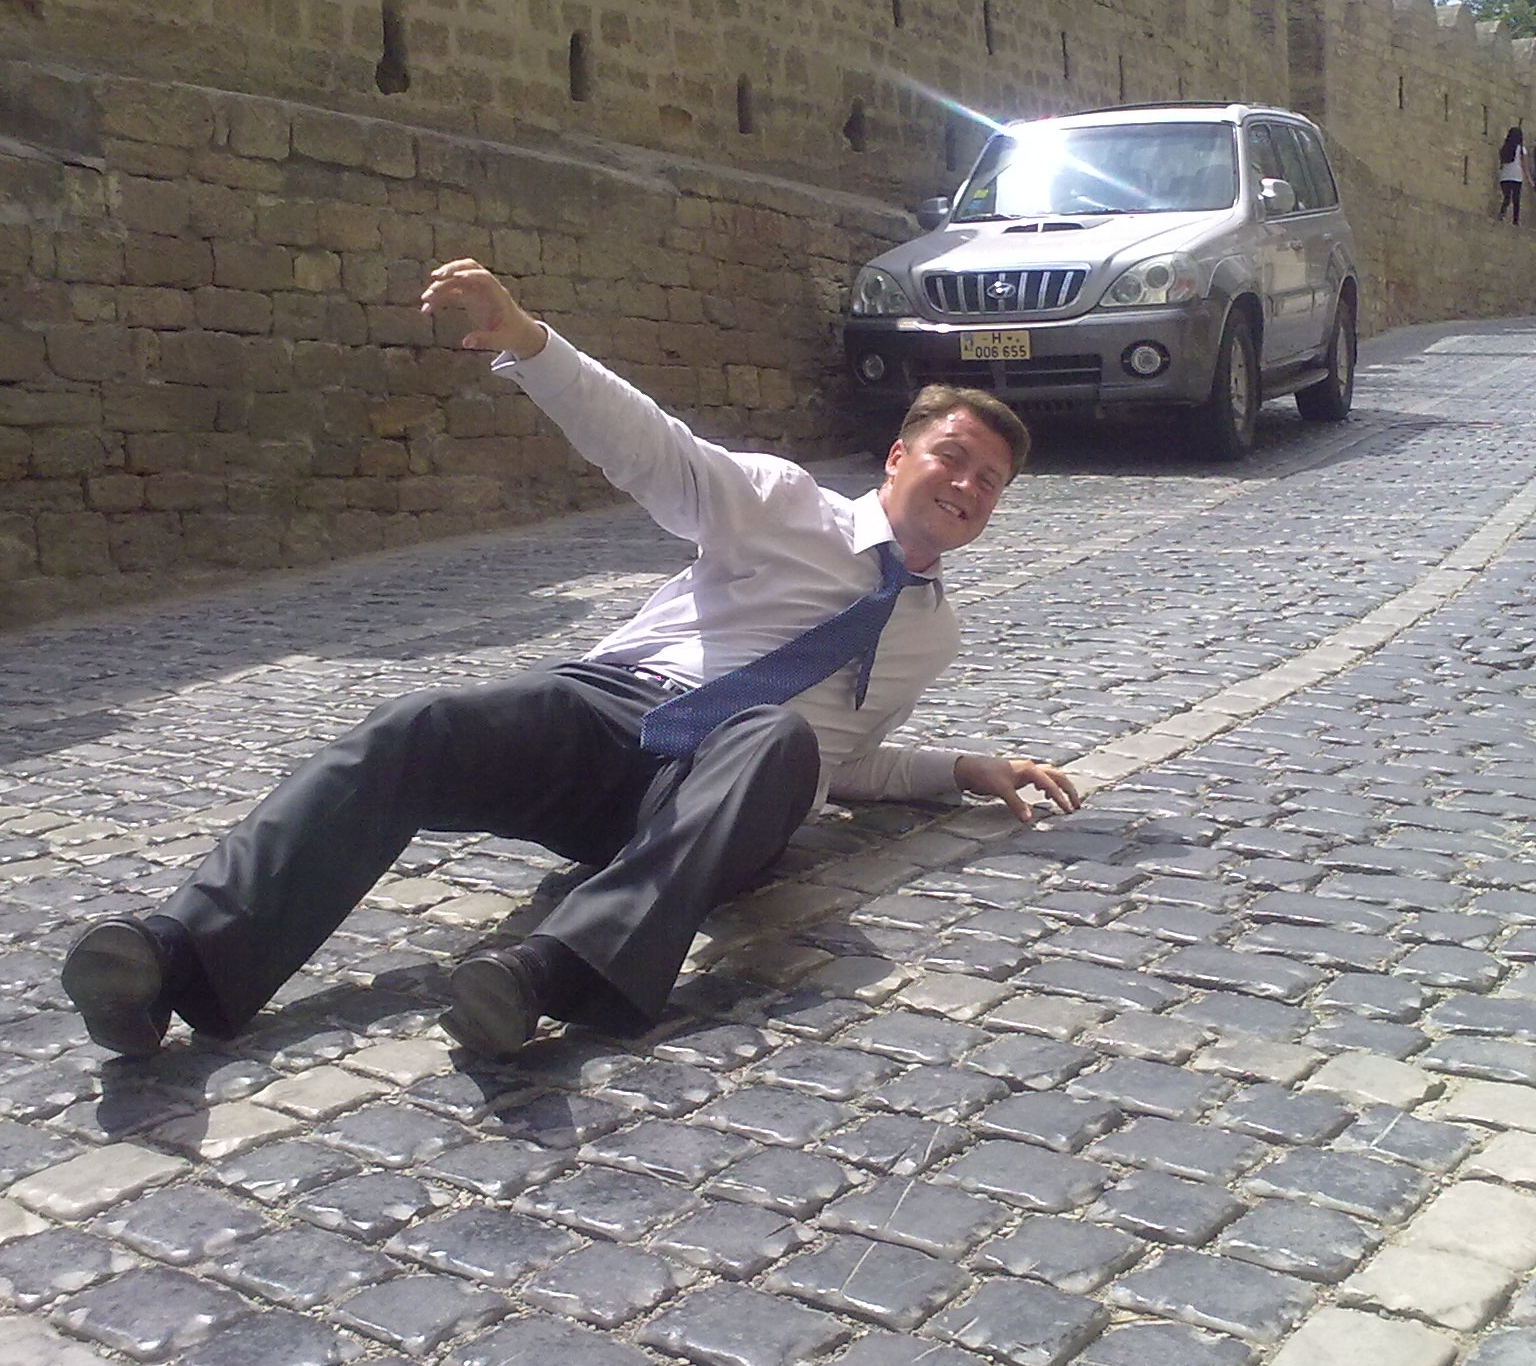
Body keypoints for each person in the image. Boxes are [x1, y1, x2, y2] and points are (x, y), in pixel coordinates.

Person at [61, 259, 1081, 1060]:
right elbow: (654, 450)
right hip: (607, 716)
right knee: (418, 725)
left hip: (716, 789)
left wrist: (957, 768)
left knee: (775, 737)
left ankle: (546, 974)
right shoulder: (779, 502)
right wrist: (531, 343)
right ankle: (178, 955)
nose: (966, 486)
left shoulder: (930, 633)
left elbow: (837, 760)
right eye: (951, 458)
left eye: (989, 482)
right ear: (899, 457)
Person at [1496, 126, 1527, 224]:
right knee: (1516, 200)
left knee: (1507, 197)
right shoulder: (1522, 149)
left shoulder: (1504, 149)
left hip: (1504, 176)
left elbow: (1501, 164)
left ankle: (1502, 214)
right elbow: (1524, 165)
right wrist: (1530, 179)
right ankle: (1515, 221)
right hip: (1516, 176)